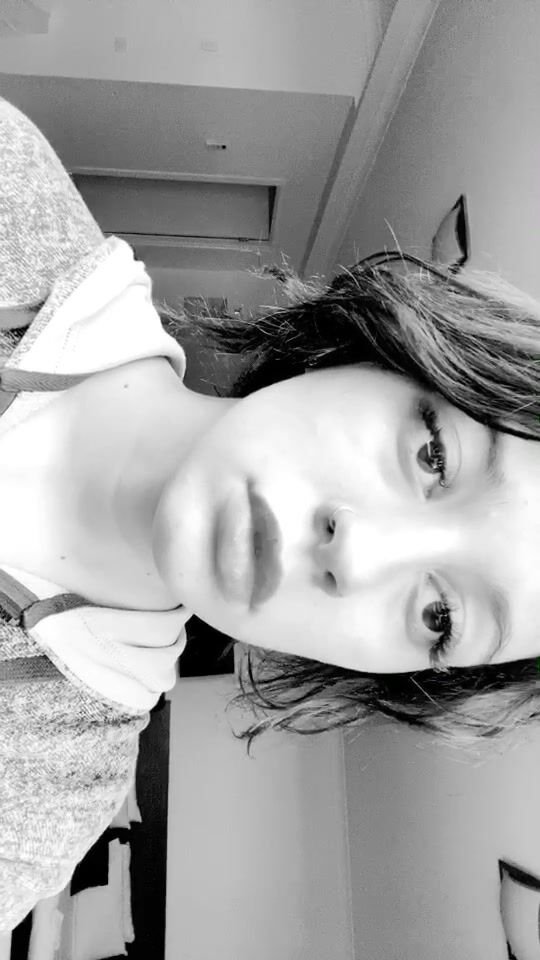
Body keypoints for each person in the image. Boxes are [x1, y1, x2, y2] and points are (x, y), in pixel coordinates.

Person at [0, 94, 539, 930]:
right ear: (381, 352)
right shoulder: (10, 182)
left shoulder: (40, 802)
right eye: (434, 454)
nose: (357, 554)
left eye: (441, 617)